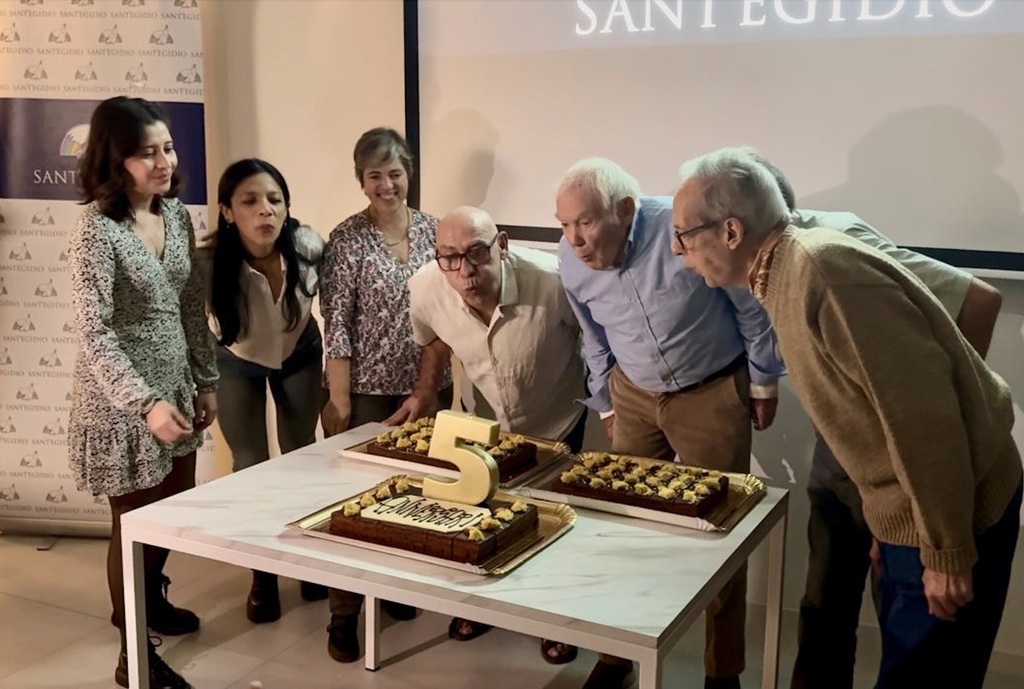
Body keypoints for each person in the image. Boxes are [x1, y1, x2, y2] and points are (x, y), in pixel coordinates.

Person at [672, 146, 1022, 689]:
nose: (678, 253)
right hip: (916, 509)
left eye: (684, 237)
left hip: (960, 509)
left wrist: (947, 550)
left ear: (732, 232)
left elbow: (921, 419)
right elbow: (866, 418)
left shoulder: (822, 272)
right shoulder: (784, 274)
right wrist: (886, 520)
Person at [555, 158, 785, 689]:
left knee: (717, 531)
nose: (575, 240)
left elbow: (748, 302)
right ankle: (617, 657)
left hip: (709, 393)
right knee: (625, 526)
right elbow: (592, 334)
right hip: (633, 395)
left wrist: (763, 380)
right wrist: (606, 402)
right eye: (564, 225)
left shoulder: (682, 227)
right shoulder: (568, 258)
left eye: (586, 222)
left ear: (626, 210)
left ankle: (721, 672)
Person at [68, 96, 218, 689]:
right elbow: (94, 330)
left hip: (176, 391)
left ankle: (145, 600)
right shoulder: (95, 231)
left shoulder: (176, 214)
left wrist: (203, 382)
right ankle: (134, 655)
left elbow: (189, 305)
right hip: (120, 403)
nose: (164, 161)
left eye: (168, 147)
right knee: (131, 525)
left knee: (169, 516)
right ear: (114, 160)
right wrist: (144, 402)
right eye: (146, 153)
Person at [400, 205, 586, 663]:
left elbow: (596, 337)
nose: (464, 271)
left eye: (477, 254)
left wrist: (613, 401)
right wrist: (426, 390)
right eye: (450, 257)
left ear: (502, 245)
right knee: (480, 516)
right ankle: (482, 607)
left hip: (557, 419)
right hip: (482, 422)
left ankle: (551, 619)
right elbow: (435, 339)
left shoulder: (555, 281)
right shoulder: (426, 286)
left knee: (553, 522)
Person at [319, 127, 453, 663]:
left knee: (414, 497)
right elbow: (338, 323)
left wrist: (432, 381)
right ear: (361, 180)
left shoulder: (434, 230)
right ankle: (343, 613)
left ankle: (393, 588)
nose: (386, 184)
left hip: (427, 385)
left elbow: (448, 310)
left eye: (394, 172)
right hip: (368, 392)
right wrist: (341, 398)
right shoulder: (347, 237)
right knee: (353, 506)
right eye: (374, 175)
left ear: (409, 172)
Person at [206, 158, 329, 626]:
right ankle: (263, 576)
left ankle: (307, 562)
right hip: (235, 360)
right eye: (250, 201)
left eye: (275, 200)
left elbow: (336, 300)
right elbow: (192, 329)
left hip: (299, 352)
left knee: (302, 456)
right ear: (227, 211)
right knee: (251, 466)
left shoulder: (308, 245)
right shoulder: (208, 258)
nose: (265, 212)